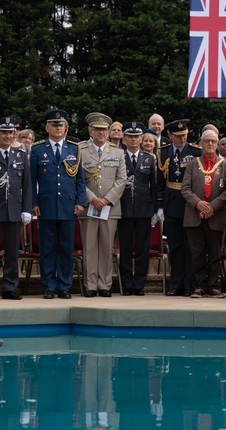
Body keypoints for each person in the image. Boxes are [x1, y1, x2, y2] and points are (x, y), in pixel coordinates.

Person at [31, 109, 87, 299]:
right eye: (54, 125)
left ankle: (64, 286)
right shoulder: (38, 149)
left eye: (61, 125)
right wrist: (34, 202)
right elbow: (32, 180)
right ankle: (48, 286)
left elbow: (80, 180)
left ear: (66, 127)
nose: (58, 128)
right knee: (47, 249)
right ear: (47, 127)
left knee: (66, 248)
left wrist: (80, 202)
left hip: (68, 205)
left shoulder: (74, 148)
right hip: (45, 206)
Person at [79, 112, 127, 297]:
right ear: (90, 131)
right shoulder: (80, 150)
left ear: (108, 132)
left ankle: (105, 284)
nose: (101, 133)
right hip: (89, 206)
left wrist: (106, 199)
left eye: (104, 130)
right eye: (97, 130)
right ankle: (91, 284)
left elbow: (121, 179)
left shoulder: (118, 152)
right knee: (89, 248)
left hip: (110, 207)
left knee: (107, 248)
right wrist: (92, 198)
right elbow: (77, 179)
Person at [181, 129, 226, 298]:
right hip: (194, 216)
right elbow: (185, 189)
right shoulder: (192, 164)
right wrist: (199, 204)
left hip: (216, 216)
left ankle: (214, 286)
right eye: (206, 141)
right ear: (201, 143)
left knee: (215, 253)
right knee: (196, 254)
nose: (210, 144)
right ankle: (199, 286)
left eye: (213, 141)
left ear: (217, 144)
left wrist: (212, 207)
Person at [0, 117, 32, 300]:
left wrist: (26, 209)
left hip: (14, 209)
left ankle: (10, 287)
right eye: (3, 132)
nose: (7, 135)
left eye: (10, 132)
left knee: (13, 252)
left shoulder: (20, 155)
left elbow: (27, 185)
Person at [157, 119, 202, 296]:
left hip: (189, 204)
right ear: (170, 136)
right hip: (171, 202)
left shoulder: (195, 152)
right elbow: (160, 181)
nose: (182, 139)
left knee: (190, 246)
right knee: (175, 246)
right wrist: (160, 206)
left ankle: (189, 284)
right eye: (178, 136)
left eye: (184, 135)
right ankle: (176, 284)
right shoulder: (163, 152)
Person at [118, 121, 160, 296]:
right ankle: (127, 285)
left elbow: (154, 186)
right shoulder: (119, 156)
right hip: (124, 209)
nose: (133, 140)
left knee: (143, 249)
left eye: (136, 137)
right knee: (125, 248)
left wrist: (156, 210)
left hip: (144, 210)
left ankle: (139, 284)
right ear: (124, 139)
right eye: (130, 136)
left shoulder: (149, 158)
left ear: (142, 139)